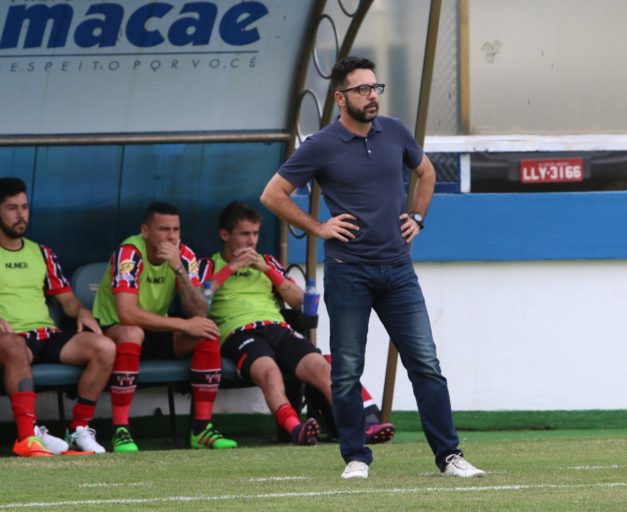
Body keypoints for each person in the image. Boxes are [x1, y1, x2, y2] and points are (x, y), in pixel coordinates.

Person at [261, 56, 485, 479]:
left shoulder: (396, 132)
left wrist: (416, 218)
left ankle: (450, 457)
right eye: (363, 89)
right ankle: (356, 458)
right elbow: (273, 195)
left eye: (375, 88)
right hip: (349, 273)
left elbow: (426, 173)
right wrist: (318, 227)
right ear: (340, 97)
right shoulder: (320, 145)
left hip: (399, 272)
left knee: (426, 366)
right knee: (346, 370)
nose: (372, 96)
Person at [199, 201, 395, 446]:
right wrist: (232, 268)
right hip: (240, 333)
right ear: (225, 235)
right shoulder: (209, 264)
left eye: (255, 234)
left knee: (322, 367)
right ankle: (295, 429)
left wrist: (267, 270)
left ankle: (360, 427)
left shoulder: (267, 262)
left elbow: (299, 301)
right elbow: (200, 298)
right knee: (270, 373)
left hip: (278, 328)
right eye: (244, 234)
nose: (251, 241)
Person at [92, 201, 237, 452]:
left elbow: (199, 311)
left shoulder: (184, 255)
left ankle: (201, 429)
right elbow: (127, 314)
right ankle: (120, 430)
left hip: (156, 329)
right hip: (113, 331)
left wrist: (178, 269)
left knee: (207, 331)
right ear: (146, 231)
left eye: (176, 230)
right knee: (133, 332)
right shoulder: (129, 253)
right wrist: (182, 324)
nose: (171, 237)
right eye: (163, 230)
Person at [0, 177, 115, 457]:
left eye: (24, 207)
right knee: (15, 345)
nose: (20, 215)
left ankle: (77, 430)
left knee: (105, 347)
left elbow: (67, 300)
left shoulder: (42, 253)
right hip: (9, 340)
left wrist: (81, 311)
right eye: (12, 208)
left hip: (45, 335)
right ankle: (28, 437)